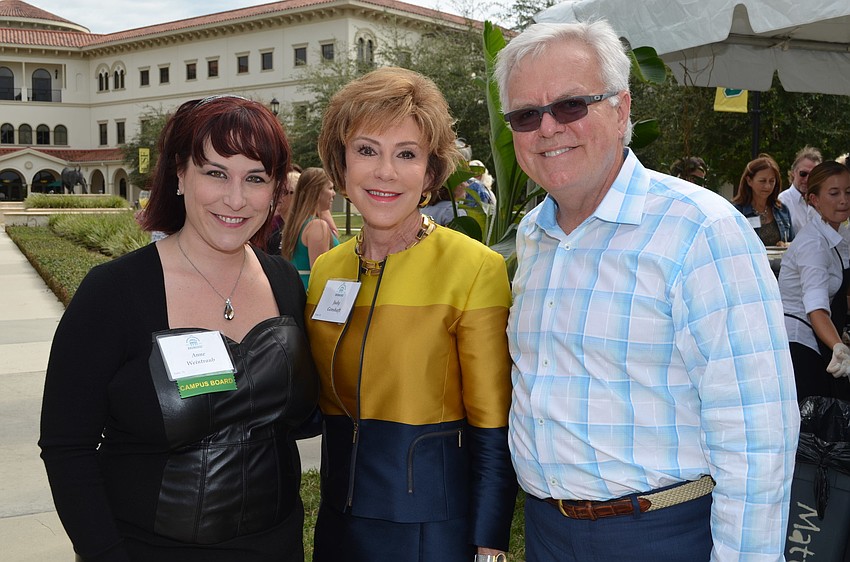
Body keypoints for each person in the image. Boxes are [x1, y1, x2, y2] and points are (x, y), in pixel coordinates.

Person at [495, 21, 800, 561]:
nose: (548, 128)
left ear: (621, 110)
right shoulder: (534, 236)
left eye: (570, 105)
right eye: (526, 115)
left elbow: (757, 435)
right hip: (546, 533)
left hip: (661, 535)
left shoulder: (701, 230)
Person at [39, 95, 319, 561]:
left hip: (277, 545)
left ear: (275, 189)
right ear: (179, 174)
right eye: (216, 173)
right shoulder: (115, 292)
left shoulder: (284, 281)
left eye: (255, 178)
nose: (235, 199)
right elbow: (67, 446)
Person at [306, 66, 516, 562]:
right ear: (341, 163)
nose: (385, 172)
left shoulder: (474, 268)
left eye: (406, 154)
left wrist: (489, 546)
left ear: (430, 172)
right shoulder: (327, 269)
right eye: (367, 150)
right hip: (337, 526)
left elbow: (494, 429)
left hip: (431, 533)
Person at [779, 160, 850, 401]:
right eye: (834, 193)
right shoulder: (813, 245)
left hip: (818, 337)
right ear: (814, 200)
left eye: (848, 192)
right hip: (799, 343)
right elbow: (816, 308)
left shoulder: (838, 234)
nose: (844, 200)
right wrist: (838, 347)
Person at [279, 167, 339, 288]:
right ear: (317, 191)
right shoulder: (317, 226)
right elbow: (320, 275)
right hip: (312, 294)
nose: (334, 194)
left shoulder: (296, 225)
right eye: (330, 188)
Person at [732, 153, 794, 246]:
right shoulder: (736, 212)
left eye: (771, 181)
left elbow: (793, 243)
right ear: (749, 181)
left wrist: (786, 245)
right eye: (762, 181)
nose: (767, 186)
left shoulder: (782, 210)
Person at [778, 145, 823, 236]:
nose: (807, 179)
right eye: (803, 173)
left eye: (813, 175)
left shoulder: (822, 202)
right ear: (793, 172)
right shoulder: (783, 201)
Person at [265, 168, 302, 253]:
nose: (276, 196)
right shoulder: (274, 234)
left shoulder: (306, 230)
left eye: (282, 191)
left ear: (297, 196)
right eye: (276, 191)